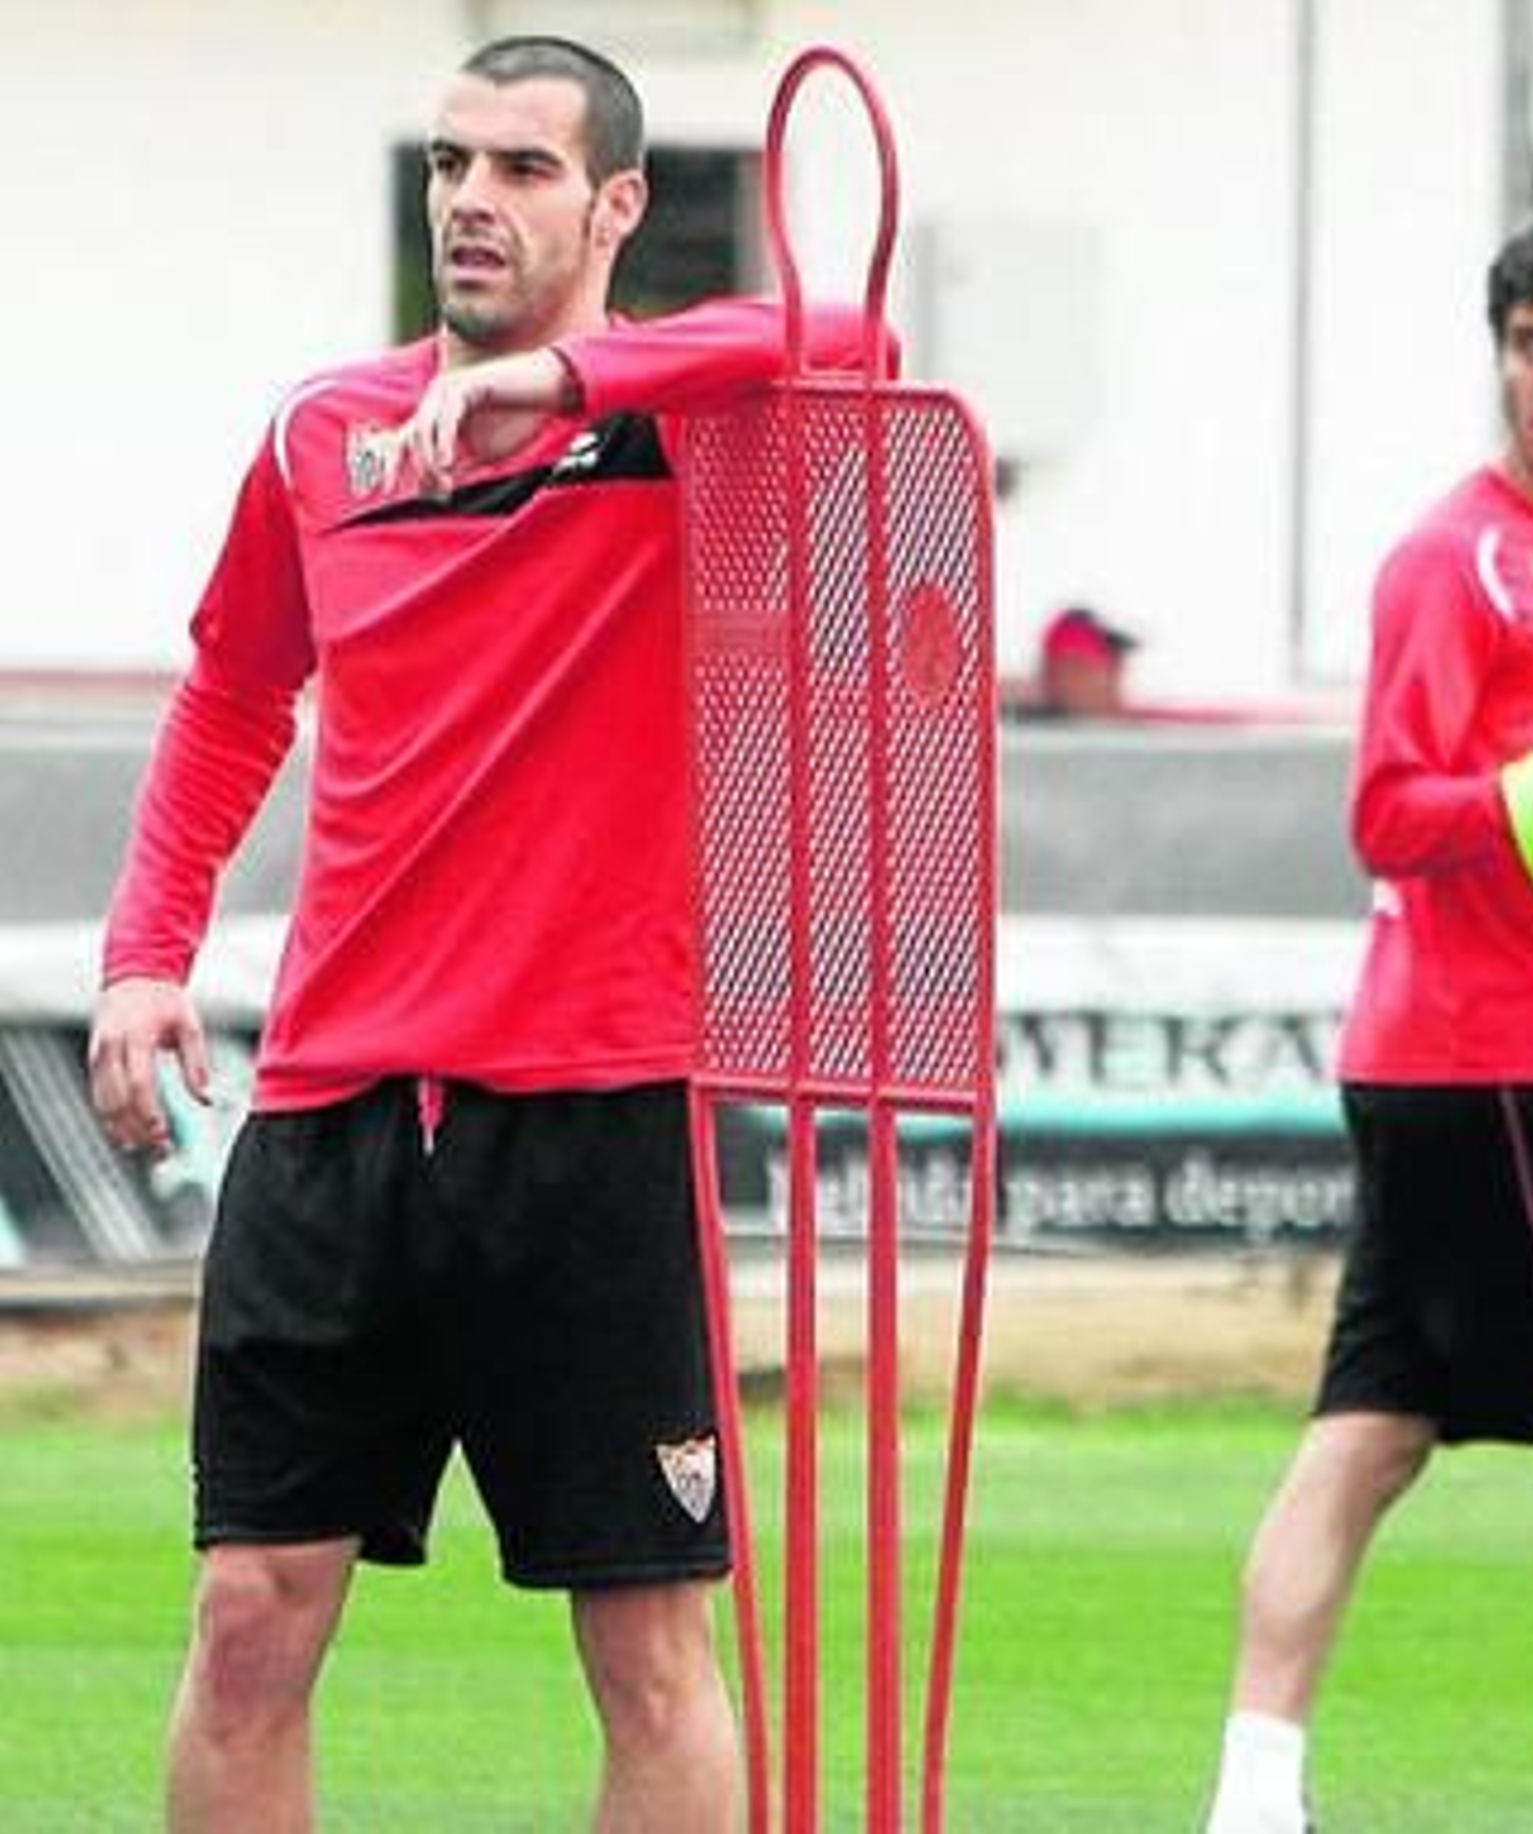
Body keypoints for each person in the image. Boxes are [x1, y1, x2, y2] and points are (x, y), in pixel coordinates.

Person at [87, 35, 881, 1832]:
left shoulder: (675, 418)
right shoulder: (321, 430)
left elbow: (849, 341)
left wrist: (566, 382)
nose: (469, 198)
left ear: (613, 205)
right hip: (334, 1109)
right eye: (451, 163)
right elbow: (233, 688)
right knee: (243, 1619)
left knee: (652, 1658)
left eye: (522, 169)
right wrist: (150, 949)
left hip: (595, 1106)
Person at [1204, 211, 1533, 1834]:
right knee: (1368, 1430)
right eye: (1529, 346)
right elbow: (1389, 807)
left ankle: (1252, 1789)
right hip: (1495, 1058)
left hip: (1512, 1059)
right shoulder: (1461, 559)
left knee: (1370, 1429)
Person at [1036, 603, 1139, 717]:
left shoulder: (1148, 726)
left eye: (1078, 667)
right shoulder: (1032, 726)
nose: (1065, 682)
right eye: (1053, 671)